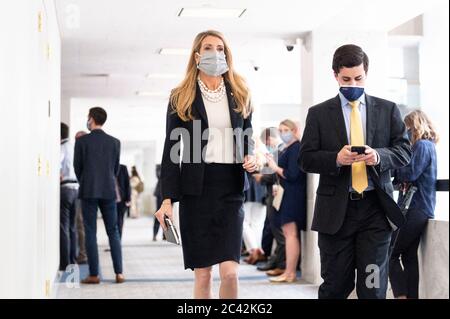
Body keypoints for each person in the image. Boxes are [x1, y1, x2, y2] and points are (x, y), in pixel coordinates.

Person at [299, 44, 412, 299]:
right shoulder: (318, 114)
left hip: (375, 211)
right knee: (335, 287)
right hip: (335, 214)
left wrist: (378, 156)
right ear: (335, 75)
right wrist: (336, 159)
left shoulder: (388, 109)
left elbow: (404, 152)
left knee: (372, 288)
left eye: (358, 78)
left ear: (366, 74)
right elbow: (305, 159)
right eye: (346, 78)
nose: (353, 83)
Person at [154, 30, 257, 299]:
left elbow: (248, 136)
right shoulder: (181, 96)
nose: (215, 53)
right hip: (195, 191)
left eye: (220, 48)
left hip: (230, 189)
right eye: (208, 47)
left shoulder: (240, 92)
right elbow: (171, 151)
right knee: (203, 274)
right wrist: (167, 199)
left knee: (231, 273)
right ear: (197, 55)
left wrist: (250, 155)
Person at [389, 110, 439, 299]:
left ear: (415, 126)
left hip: (415, 208)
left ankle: (401, 296)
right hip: (418, 208)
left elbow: (410, 174)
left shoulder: (423, 146)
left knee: (390, 253)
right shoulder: (427, 146)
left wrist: (395, 163)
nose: (406, 133)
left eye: (407, 128)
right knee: (408, 257)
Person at [74, 106, 125, 284]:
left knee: (90, 232)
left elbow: (77, 168)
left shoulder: (81, 142)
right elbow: (115, 169)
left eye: (88, 117)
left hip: (88, 190)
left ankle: (94, 274)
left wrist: (86, 180)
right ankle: (119, 273)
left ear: (91, 119)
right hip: (109, 190)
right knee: (114, 231)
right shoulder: (115, 142)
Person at [265, 119, 306, 283]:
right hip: (286, 193)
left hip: (293, 196)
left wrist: (274, 167)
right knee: (289, 234)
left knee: (291, 234)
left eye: (285, 130)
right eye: (280, 130)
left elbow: (293, 175)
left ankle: (290, 272)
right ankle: (288, 272)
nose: (282, 133)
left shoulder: (296, 148)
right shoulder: (289, 148)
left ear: (294, 130)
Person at [254, 127, 286, 276]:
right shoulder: (276, 151)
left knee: (278, 231)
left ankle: (281, 263)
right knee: (272, 228)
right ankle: (275, 260)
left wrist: (262, 177)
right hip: (272, 193)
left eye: (266, 141)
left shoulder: (281, 151)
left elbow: (275, 174)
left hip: (278, 194)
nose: (266, 144)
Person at [59, 123, 79, 271]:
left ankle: (65, 263)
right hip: (76, 189)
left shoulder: (61, 148)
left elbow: (57, 168)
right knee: (73, 227)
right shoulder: (74, 147)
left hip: (65, 188)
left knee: (64, 227)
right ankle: (73, 260)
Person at [242, 172, 267, 265]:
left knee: (244, 222)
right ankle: (256, 251)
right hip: (261, 185)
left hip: (249, 184)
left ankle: (254, 250)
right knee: (257, 224)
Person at [74, 130, 88, 264]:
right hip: (77, 190)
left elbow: (78, 170)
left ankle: (84, 254)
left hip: (83, 193)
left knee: (81, 224)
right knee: (80, 225)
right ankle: (82, 253)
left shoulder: (85, 153)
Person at [116, 164, 131, 239]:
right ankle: (114, 242)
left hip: (122, 200)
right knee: (112, 223)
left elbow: (127, 184)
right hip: (109, 199)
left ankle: (118, 241)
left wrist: (128, 199)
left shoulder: (123, 168)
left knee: (119, 221)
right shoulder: (107, 166)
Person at [153, 164, 163, 241]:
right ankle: (155, 234)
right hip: (160, 194)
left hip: (169, 194)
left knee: (167, 215)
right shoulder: (159, 166)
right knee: (158, 214)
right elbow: (159, 175)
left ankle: (166, 235)